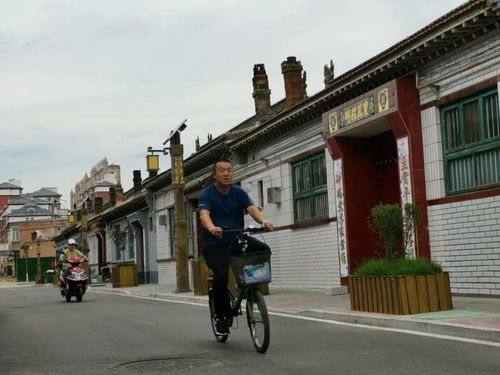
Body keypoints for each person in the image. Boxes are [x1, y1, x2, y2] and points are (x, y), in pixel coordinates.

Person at [199, 158, 274, 336]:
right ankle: (222, 318)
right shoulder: (207, 194)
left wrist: (263, 221)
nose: (226, 174)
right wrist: (211, 228)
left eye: (229, 170)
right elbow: (204, 214)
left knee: (263, 249)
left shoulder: (238, 192)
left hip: (237, 240)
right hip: (215, 245)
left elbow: (251, 208)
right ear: (215, 175)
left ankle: (248, 288)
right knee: (221, 276)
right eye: (222, 171)